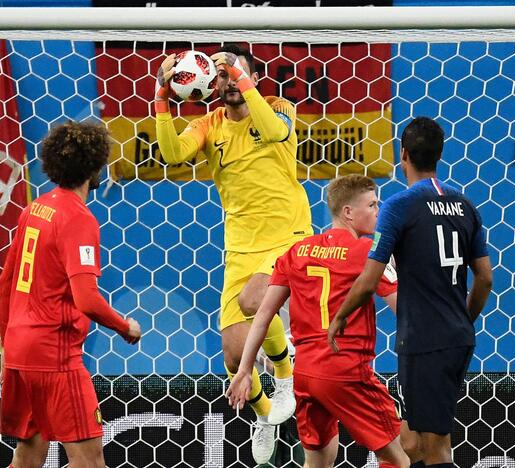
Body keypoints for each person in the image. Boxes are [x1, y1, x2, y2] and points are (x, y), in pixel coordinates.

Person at [155, 44, 313, 464]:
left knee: (252, 299)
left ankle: (284, 371)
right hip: (240, 244)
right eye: (220, 75)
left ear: (254, 79)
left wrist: (240, 74)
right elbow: (172, 154)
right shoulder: (209, 124)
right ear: (211, 83)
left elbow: (276, 132)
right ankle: (266, 416)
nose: (227, 81)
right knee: (232, 352)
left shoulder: (279, 107)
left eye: (235, 72)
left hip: (288, 233)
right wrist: (161, 96)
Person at [328, 117, 493, 468]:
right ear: (440, 155)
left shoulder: (400, 206)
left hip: (424, 340)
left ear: (402, 154)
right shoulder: (465, 207)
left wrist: (340, 316)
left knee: (435, 450)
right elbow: (485, 279)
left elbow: (370, 279)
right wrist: (463, 318)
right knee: (413, 440)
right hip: (456, 335)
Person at [226, 174, 409, 468]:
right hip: (346, 370)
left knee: (318, 461)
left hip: (307, 375)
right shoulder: (368, 252)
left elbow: (262, 315)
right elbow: (403, 309)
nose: (379, 210)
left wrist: (245, 369)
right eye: (373, 204)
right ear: (348, 212)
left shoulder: (298, 252)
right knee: (399, 460)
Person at [0, 120, 142, 468]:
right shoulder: (78, 218)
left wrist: (6, 348)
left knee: (28, 456)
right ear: (96, 166)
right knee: (89, 461)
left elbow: (5, 283)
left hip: (19, 351)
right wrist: (126, 328)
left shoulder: (35, 208)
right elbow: (87, 299)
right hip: (54, 356)